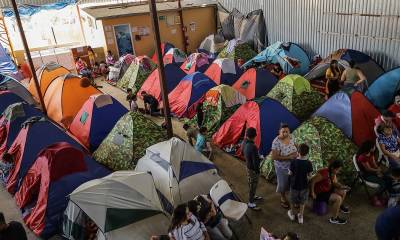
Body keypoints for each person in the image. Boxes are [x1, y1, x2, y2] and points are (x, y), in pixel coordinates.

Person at [310, 160, 350, 225]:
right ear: (332, 168)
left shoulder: (333, 173)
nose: (338, 171)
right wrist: (312, 193)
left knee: (343, 192)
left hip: (327, 190)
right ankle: (334, 219)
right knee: (338, 198)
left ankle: (338, 207)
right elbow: (312, 181)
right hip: (320, 193)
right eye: (337, 170)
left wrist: (342, 187)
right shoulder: (323, 173)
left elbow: (334, 183)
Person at [271, 123, 297, 209]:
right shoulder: (276, 142)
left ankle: (293, 199)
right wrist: (289, 157)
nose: (285, 133)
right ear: (279, 132)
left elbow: (296, 145)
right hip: (281, 167)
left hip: (292, 165)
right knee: (282, 184)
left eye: (287, 131)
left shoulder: (291, 137)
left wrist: (297, 153)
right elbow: (274, 157)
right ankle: (283, 198)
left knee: (292, 182)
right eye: (283, 132)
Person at [287, 144, 313, 224]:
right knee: (302, 201)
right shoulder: (309, 163)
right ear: (307, 153)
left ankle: (292, 214)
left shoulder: (293, 162)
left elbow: (290, 173)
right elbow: (310, 176)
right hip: (304, 186)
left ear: (298, 152)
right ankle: (300, 216)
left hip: (294, 185)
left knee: (292, 200)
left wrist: (289, 173)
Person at [243, 127, 262, 210]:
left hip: (248, 166)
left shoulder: (244, 142)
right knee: (253, 185)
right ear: (255, 136)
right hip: (253, 169)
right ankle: (250, 202)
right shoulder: (253, 146)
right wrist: (257, 171)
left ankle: (253, 196)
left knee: (250, 183)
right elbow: (255, 162)